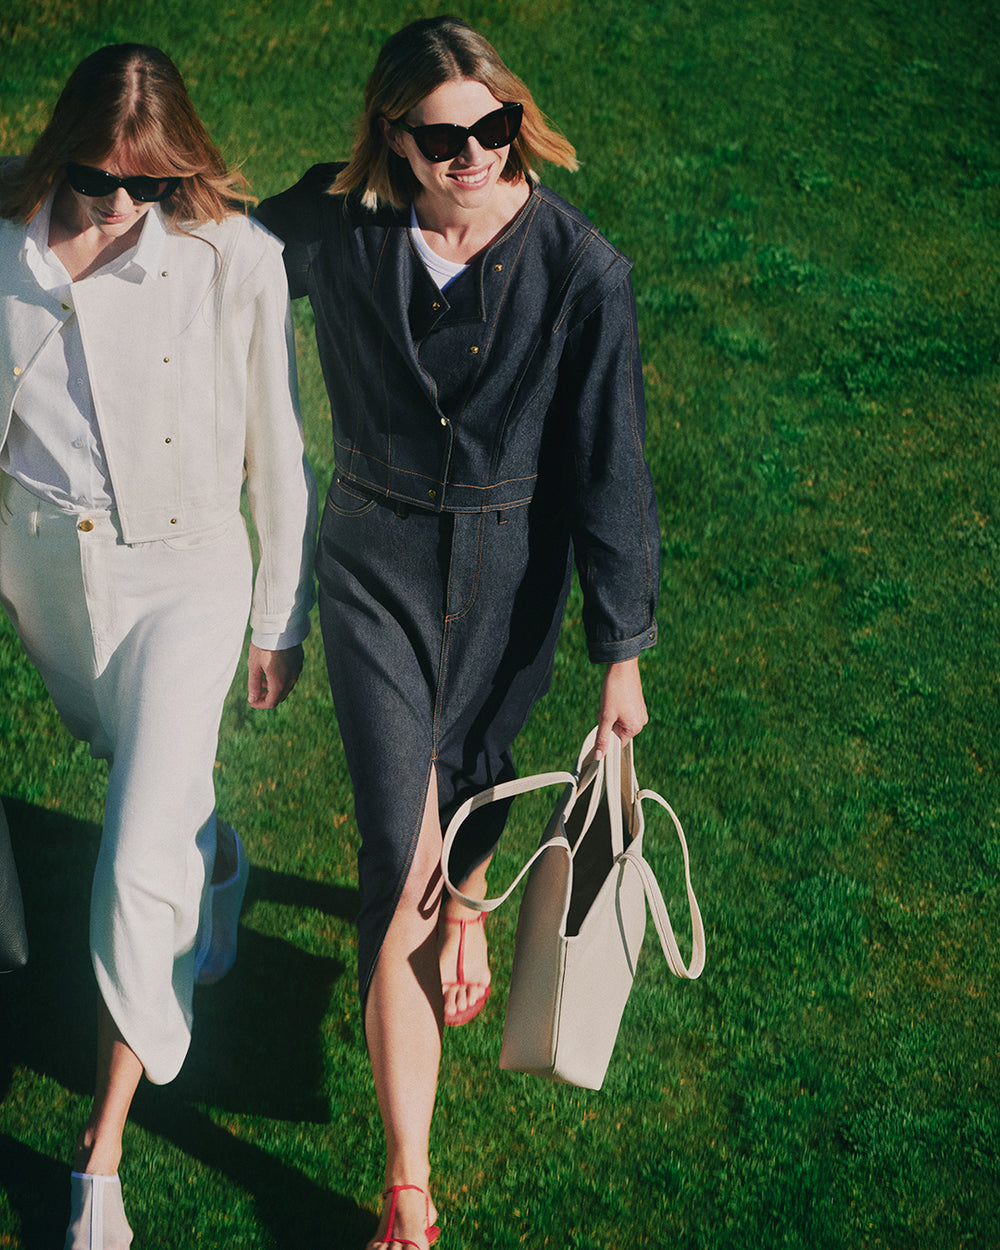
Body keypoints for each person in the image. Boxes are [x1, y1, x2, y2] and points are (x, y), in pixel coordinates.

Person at [256, 16, 659, 1248]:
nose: (474, 153)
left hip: (511, 575)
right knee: (400, 856)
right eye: (444, 136)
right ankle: (409, 1184)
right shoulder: (337, 218)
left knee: (473, 778)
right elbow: (205, 250)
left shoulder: (582, 270)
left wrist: (621, 651)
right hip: (371, 562)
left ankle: (472, 896)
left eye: (495, 127)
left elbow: (610, 469)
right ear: (393, 134)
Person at [0, 43, 317, 1249]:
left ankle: (101, 1155)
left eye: (151, 185)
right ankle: (215, 864)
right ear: (62, 151)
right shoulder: (10, 248)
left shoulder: (235, 258)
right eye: (97, 179)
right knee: (149, 797)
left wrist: (277, 612)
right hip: (46, 574)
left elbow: (277, 449)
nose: (124, 208)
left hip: (186, 577)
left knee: (133, 863)